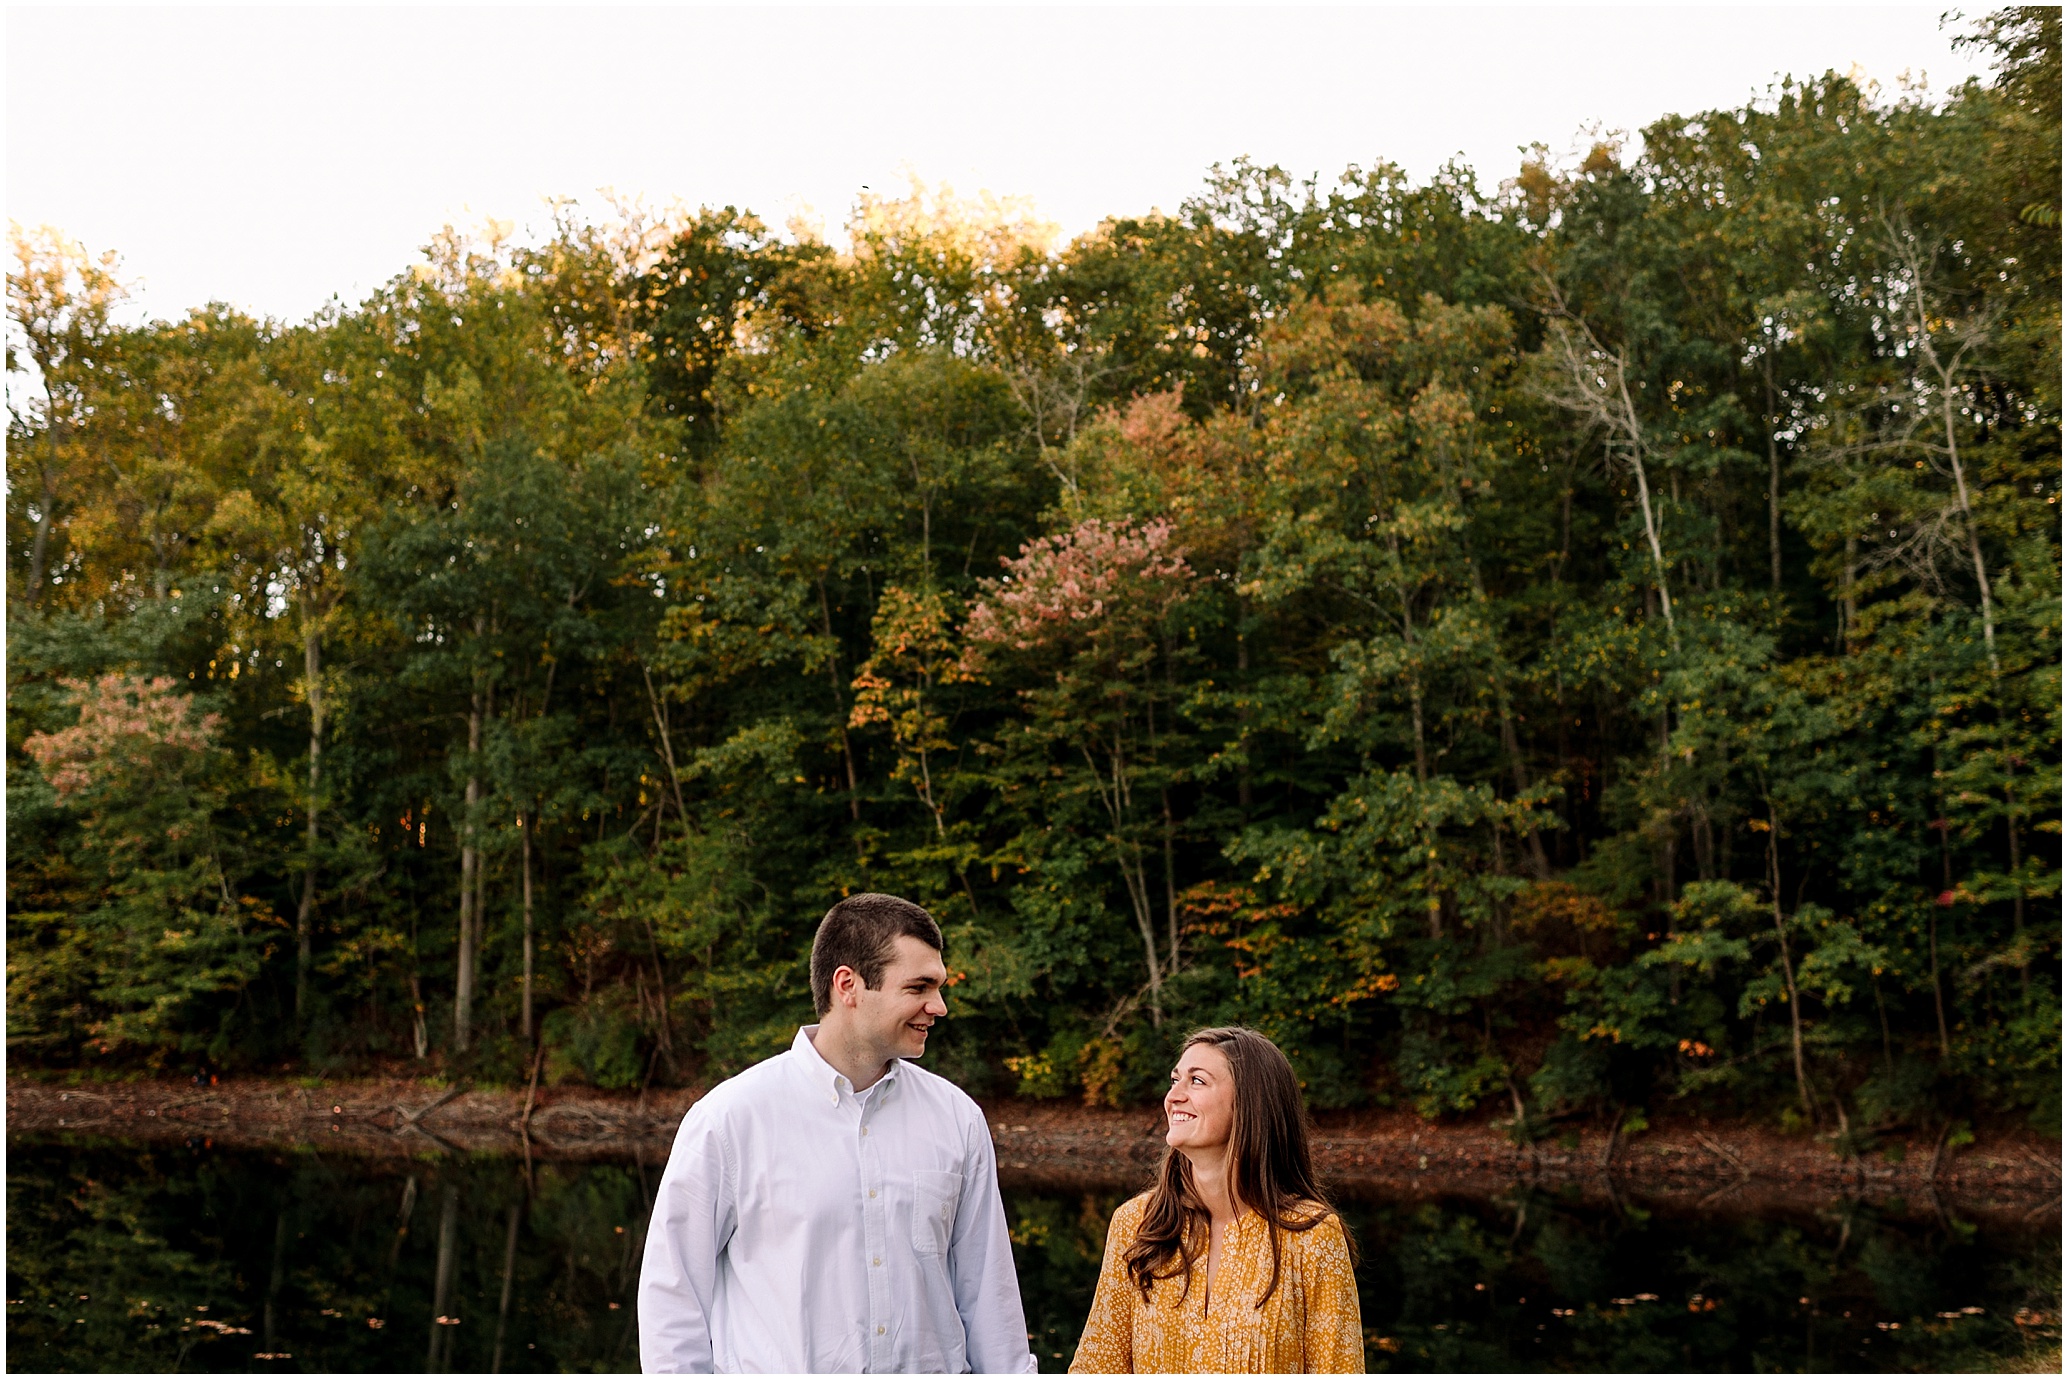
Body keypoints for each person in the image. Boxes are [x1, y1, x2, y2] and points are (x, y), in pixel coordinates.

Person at [638, 893, 1035, 1374]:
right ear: (848, 985)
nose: (940, 1006)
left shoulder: (958, 1119)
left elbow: (989, 1297)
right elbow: (672, 1301)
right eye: (919, 987)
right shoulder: (729, 1121)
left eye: (938, 987)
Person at [1069, 1026, 1364, 1374]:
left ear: (1250, 1102)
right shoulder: (1136, 1224)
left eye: (1197, 1081)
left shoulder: (1313, 1238)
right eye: (1175, 1079)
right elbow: (1096, 1368)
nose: (1173, 1096)